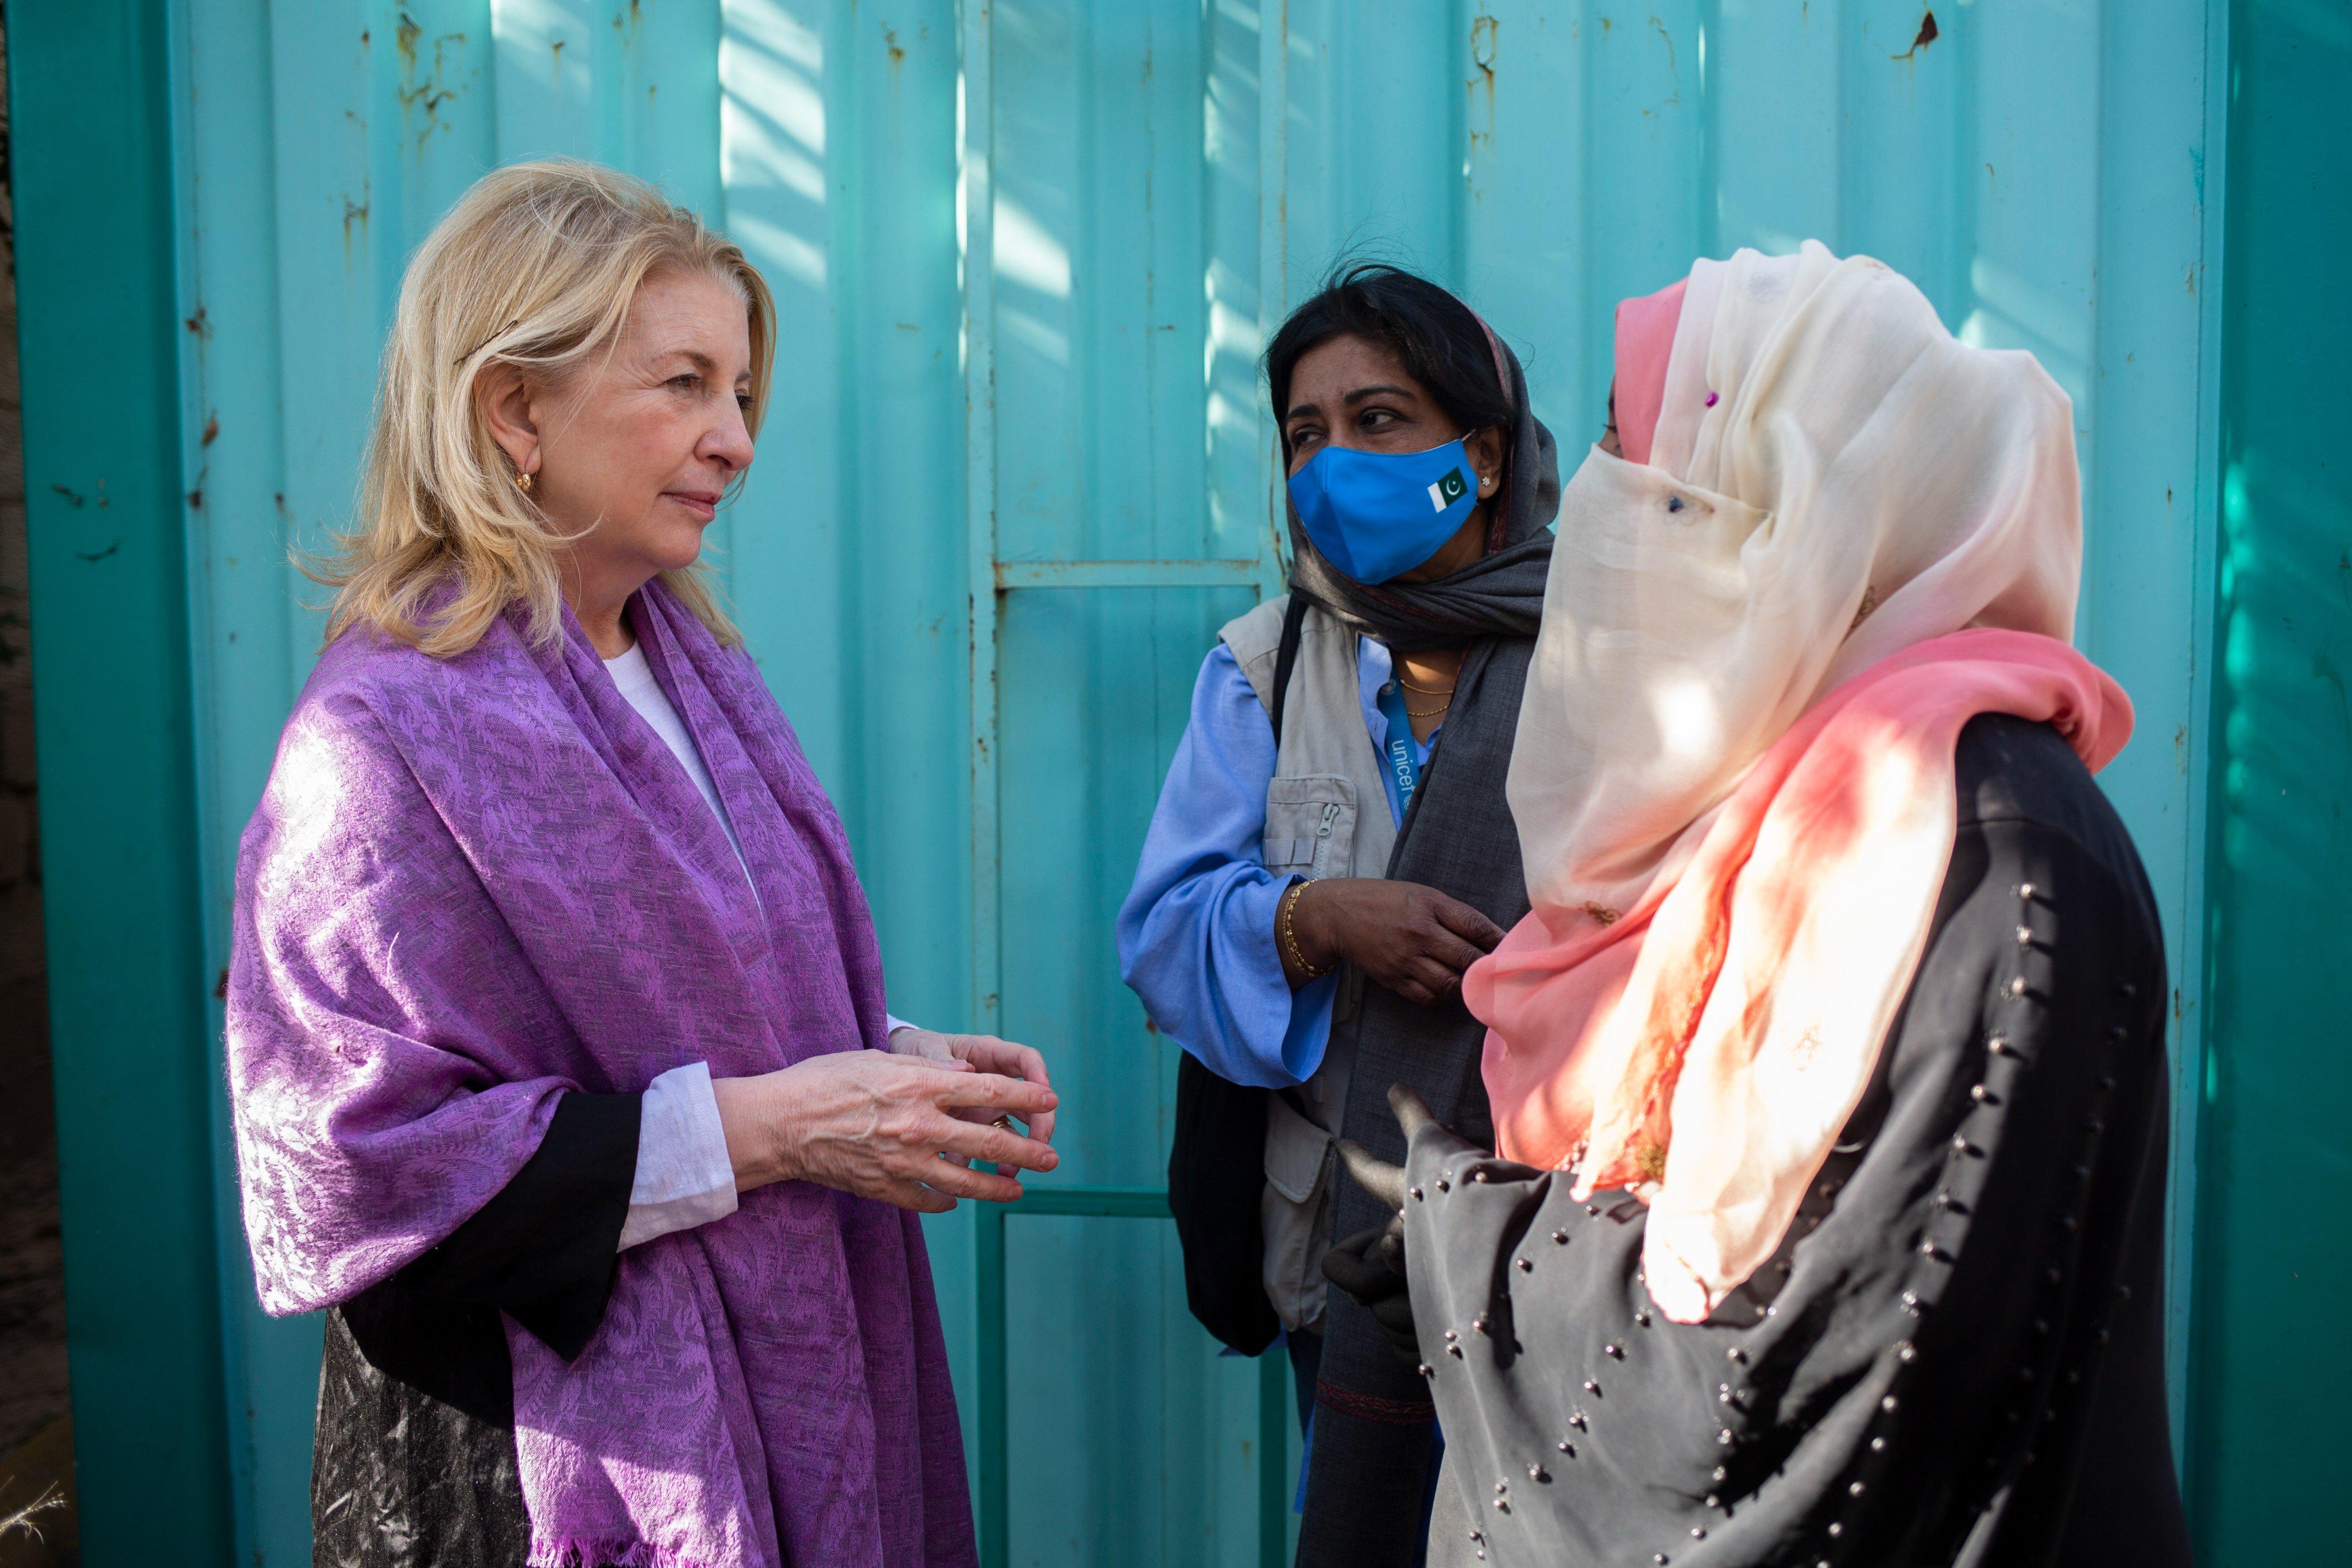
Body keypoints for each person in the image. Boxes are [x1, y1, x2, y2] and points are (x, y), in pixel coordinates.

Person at [225, 161, 1061, 1568]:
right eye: (682, 384)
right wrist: (786, 1126)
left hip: (802, 1372)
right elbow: (350, 1167)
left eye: (740, 395)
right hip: (539, 1453)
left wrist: (893, 1071)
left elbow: (687, 1008)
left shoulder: (688, 665)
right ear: (514, 411)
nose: (734, 441)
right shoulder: (376, 739)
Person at [1324, 242, 2192, 1566]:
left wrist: (1464, 1247)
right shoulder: (1756, 809)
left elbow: (1792, 1389)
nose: (1606, 512)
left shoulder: (1964, 850)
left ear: (1792, 508)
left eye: (1651, 469)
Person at [1116, 263, 1558, 1566]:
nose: (1331, 464)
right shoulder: (1263, 666)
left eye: (1378, 421)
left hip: (1563, 1247)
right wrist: (1314, 920)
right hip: (1345, 1251)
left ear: (1478, 457)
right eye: (1305, 434)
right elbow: (1162, 933)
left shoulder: (1606, 659)